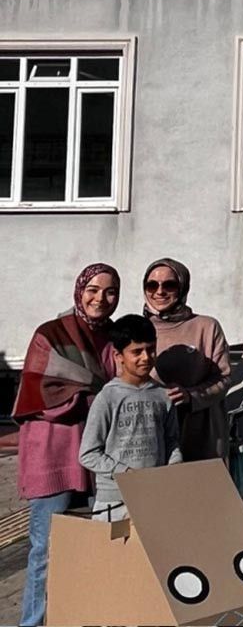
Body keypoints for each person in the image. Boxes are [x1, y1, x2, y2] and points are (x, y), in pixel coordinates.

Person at [16, 263, 120, 626]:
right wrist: (99, 395)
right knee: (46, 549)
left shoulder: (115, 337)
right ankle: (32, 622)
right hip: (54, 454)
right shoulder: (51, 333)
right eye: (93, 290)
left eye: (109, 291)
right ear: (79, 291)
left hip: (98, 456)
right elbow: (41, 391)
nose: (100, 298)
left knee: (92, 546)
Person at [79, 314, 182, 521]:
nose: (146, 357)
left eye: (151, 349)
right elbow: (88, 454)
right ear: (118, 356)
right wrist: (126, 474)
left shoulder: (163, 395)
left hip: (155, 497)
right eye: (137, 352)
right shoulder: (107, 397)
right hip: (114, 503)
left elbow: (172, 441)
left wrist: (174, 468)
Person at [142, 258, 232, 462]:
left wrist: (190, 396)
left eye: (169, 285)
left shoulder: (206, 327)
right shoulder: (138, 328)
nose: (159, 291)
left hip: (201, 433)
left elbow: (224, 378)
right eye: (152, 285)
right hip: (154, 434)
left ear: (183, 287)